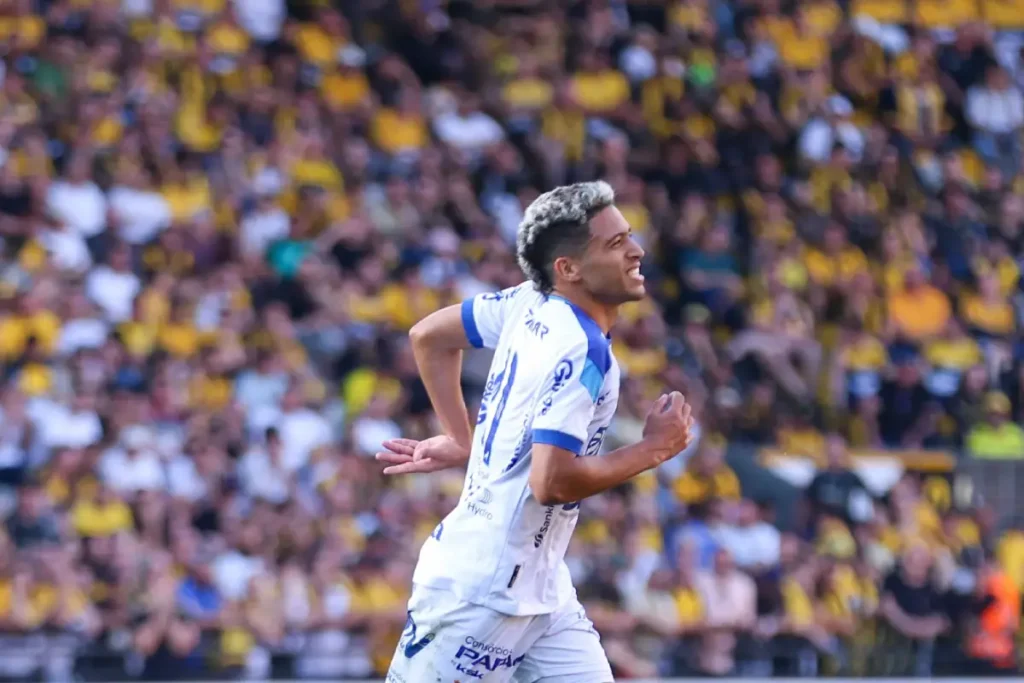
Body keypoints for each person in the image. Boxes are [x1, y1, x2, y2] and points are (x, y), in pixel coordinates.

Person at [376, 180, 694, 682]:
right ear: (568, 269)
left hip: (542, 584)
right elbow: (552, 482)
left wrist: (464, 439)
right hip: (481, 592)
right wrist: (653, 449)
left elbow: (430, 337)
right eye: (615, 244)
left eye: (629, 236)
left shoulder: (529, 301)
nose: (637, 251)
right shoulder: (583, 350)